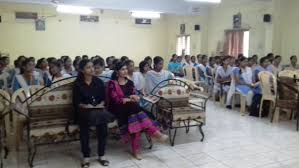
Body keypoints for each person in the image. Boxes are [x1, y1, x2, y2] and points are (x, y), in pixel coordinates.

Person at [107, 61, 168, 160]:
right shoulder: (112, 83)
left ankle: (136, 150)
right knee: (134, 109)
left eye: (126, 69)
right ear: (117, 71)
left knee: (135, 121)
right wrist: (126, 99)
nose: (125, 71)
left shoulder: (130, 82)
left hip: (131, 108)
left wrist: (135, 97)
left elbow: (134, 94)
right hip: (118, 108)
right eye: (122, 69)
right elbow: (115, 100)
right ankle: (155, 133)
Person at [73, 59, 112, 168]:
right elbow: (76, 102)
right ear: (82, 70)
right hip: (84, 111)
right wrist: (86, 106)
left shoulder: (98, 82)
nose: (92, 69)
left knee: (102, 125)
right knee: (84, 130)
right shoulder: (78, 84)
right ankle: (86, 157)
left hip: (98, 110)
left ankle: (101, 155)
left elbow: (104, 99)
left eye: (92, 67)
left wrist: (100, 104)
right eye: (88, 67)